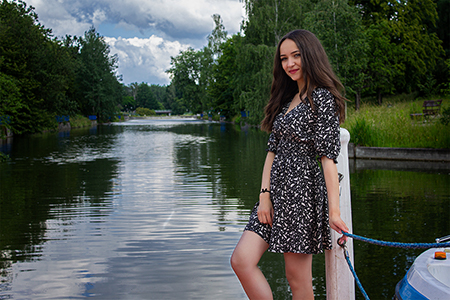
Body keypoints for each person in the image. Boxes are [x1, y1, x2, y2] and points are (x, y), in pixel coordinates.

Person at [230, 29, 349, 300]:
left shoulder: (322, 99)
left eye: (296, 56)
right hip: (274, 196)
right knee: (241, 260)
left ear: (310, 56)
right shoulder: (286, 100)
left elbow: (328, 159)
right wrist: (264, 196)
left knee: (297, 281)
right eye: (284, 58)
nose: (290, 63)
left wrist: (334, 211)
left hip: (301, 197)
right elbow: (271, 152)